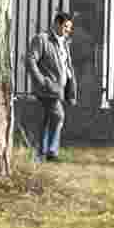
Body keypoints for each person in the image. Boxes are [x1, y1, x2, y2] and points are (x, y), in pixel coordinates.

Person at [25, 12, 77, 161]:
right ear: (57, 23)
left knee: (47, 120)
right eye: (66, 26)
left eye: (69, 28)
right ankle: (51, 152)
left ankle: (41, 154)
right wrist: (42, 80)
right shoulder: (42, 39)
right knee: (58, 115)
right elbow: (31, 60)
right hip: (47, 89)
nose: (68, 30)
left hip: (59, 89)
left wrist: (70, 85)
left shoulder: (64, 42)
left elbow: (66, 65)